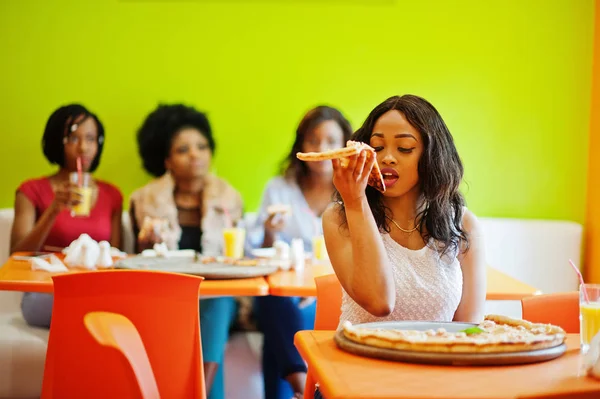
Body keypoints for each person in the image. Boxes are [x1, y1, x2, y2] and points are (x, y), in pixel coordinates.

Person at [316, 94, 486, 398]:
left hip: (434, 385)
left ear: (432, 156)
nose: (387, 158)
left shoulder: (463, 224)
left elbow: (469, 331)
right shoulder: (340, 218)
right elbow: (379, 301)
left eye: (404, 148)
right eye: (377, 147)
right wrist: (355, 202)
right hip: (357, 381)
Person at [129, 104, 243, 399]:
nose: (195, 154)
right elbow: (133, 261)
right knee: (201, 317)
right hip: (167, 297)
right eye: (183, 150)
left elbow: (238, 258)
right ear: (166, 160)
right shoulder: (144, 200)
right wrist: (147, 244)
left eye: (202, 147)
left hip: (219, 299)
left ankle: (199, 390)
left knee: (216, 302)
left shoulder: (229, 199)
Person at [248, 106, 353, 399]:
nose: (322, 149)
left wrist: (318, 289)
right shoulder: (279, 188)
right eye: (313, 140)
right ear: (300, 145)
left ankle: (299, 386)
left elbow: (362, 253)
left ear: (346, 144)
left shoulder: (354, 192)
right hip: (286, 291)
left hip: (335, 289)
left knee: (276, 337)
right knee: (275, 299)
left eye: (331, 141)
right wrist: (269, 229)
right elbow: (260, 253)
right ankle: (303, 386)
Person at [10, 104, 123, 328]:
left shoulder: (112, 195)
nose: (83, 148)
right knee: (96, 312)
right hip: (44, 293)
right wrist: (53, 210)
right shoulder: (31, 191)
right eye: (73, 138)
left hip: (96, 291)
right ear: (56, 141)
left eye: (91, 139)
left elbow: (116, 257)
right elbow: (16, 254)